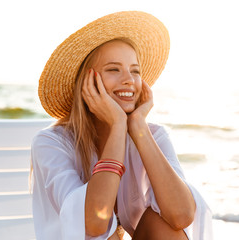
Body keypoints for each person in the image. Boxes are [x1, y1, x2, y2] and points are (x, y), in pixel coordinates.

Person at [31, 11, 213, 240]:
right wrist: (118, 125)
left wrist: (137, 126)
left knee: (164, 224)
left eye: (135, 71)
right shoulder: (50, 143)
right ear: (87, 82)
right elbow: (94, 224)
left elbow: (181, 216)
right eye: (113, 69)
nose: (129, 80)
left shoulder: (153, 134)